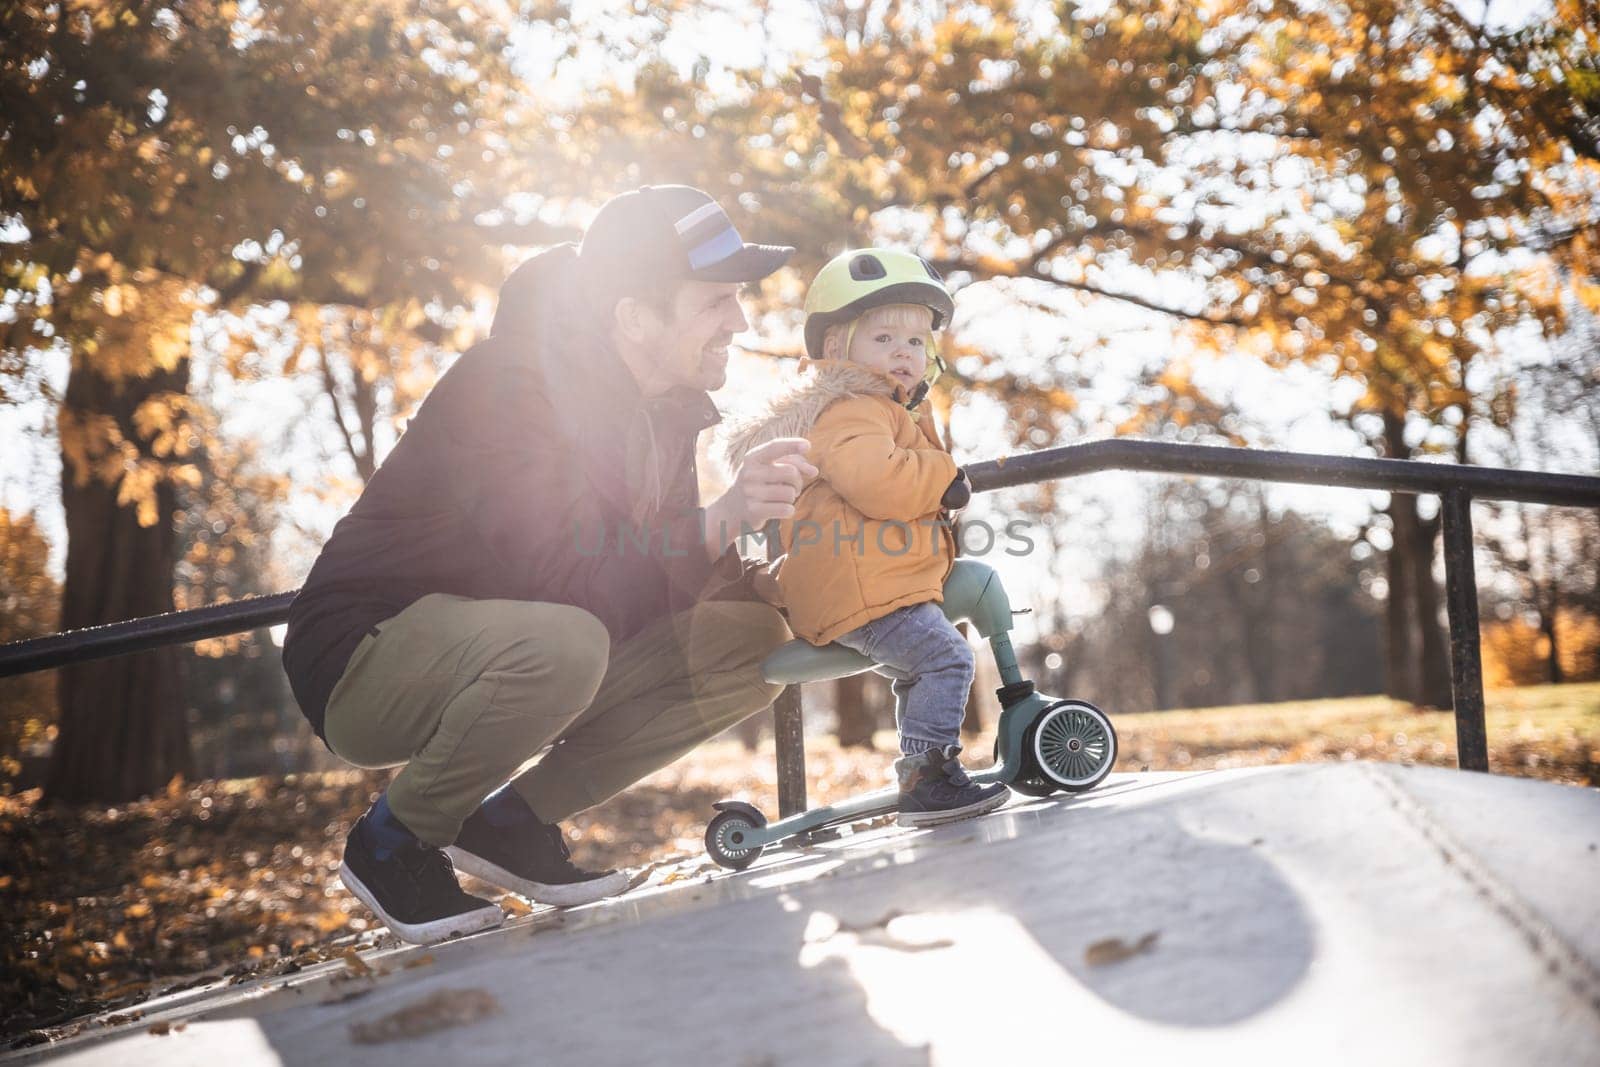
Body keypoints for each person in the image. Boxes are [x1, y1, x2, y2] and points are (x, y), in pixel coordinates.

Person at [282, 185, 817, 944]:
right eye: (715, 301)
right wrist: (720, 516)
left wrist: (767, 573)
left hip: (523, 646)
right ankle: (393, 840)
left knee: (749, 639)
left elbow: (654, 580)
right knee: (566, 643)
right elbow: (571, 580)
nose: (739, 319)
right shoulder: (510, 387)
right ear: (634, 315)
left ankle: (510, 821)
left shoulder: (665, 408)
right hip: (365, 658)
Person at [720, 248, 1009, 827]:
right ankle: (927, 780)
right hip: (862, 590)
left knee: (919, 668)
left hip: (864, 584)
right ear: (835, 349)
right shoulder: (853, 406)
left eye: (916, 343)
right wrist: (945, 477)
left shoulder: (883, 409)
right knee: (948, 658)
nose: (904, 353)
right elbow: (877, 482)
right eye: (883, 339)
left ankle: (922, 765)